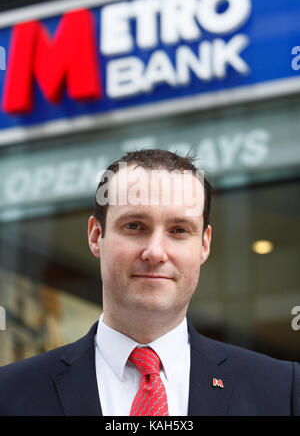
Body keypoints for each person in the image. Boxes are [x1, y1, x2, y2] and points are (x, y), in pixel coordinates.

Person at [0, 149, 299, 416]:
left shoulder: (283, 390)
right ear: (96, 236)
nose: (155, 252)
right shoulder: (10, 393)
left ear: (204, 245)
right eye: (134, 226)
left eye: (179, 230)